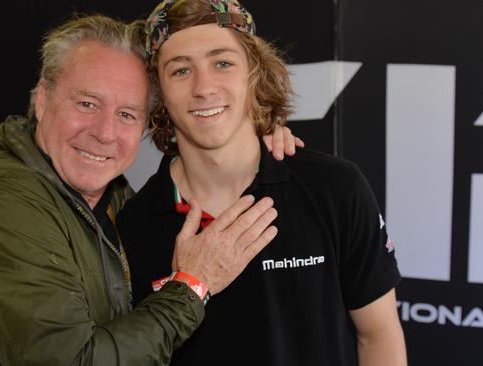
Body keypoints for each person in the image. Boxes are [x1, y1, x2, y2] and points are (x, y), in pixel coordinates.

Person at [0, 14, 300, 365]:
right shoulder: (2, 203)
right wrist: (192, 286)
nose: (104, 133)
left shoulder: (114, 200)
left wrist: (246, 143)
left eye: (126, 115)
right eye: (87, 104)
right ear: (42, 100)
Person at [117, 1, 407, 365]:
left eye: (222, 63)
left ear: (254, 72)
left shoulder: (334, 188)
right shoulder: (132, 226)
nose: (204, 87)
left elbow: (378, 336)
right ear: (158, 91)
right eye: (180, 70)